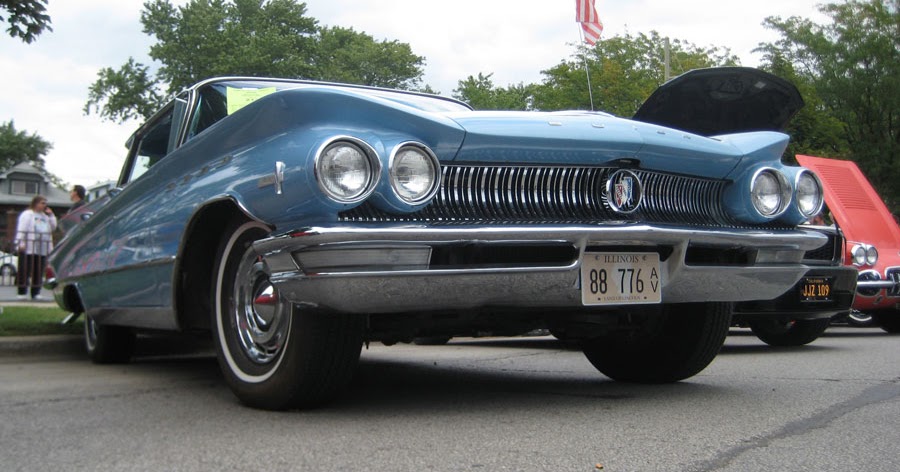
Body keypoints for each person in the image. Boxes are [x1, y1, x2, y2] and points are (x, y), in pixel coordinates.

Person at [14, 195, 57, 300]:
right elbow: (22, 229)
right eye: (42, 203)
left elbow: (53, 227)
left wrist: (51, 215)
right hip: (29, 247)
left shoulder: (44, 216)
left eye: (45, 203)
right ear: (36, 203)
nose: (44, 205)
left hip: (41, 247)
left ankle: (36, 292)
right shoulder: (28, 214)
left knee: (38, 270)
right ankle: (22, 292)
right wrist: (20, 242)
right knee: (25, 269)